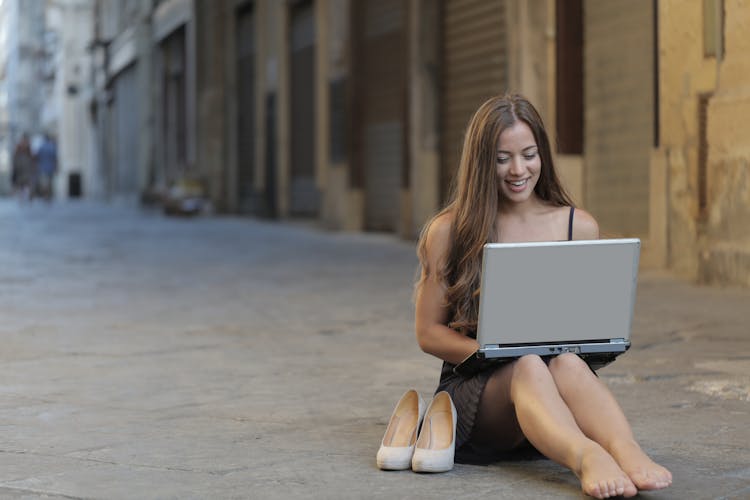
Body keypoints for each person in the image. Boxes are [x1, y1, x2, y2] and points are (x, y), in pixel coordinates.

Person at [414, 94, 672, 498]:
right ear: (481, 163)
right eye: (503, 159)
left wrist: (596, 341)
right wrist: (490, 351)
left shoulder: (577, 226)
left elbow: (586, 324)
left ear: (543, 156)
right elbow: (428, 333)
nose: (519, 170)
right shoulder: (449, 231)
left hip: (556, 389)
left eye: (529, 155)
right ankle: (587, 455)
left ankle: (626, 449)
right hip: (477, 394)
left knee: (566, 361)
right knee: (529, 364)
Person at [12, 133, 36, 200]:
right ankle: (24, 195)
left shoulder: (25, 146)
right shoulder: (23, 146)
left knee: (25, 182)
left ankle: (24, 195)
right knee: (23, 183)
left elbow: (31, 157)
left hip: (24, 166)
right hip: (22, 167)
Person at [35, 133, 58, 200]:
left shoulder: (41, 147)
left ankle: (45, 194)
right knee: (50, 182)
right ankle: (48, 195)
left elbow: (37, 157)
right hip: (50, 167)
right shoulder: (52, 146)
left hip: (42, 167)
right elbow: (55, 158)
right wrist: (56, 166)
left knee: (44, 182)